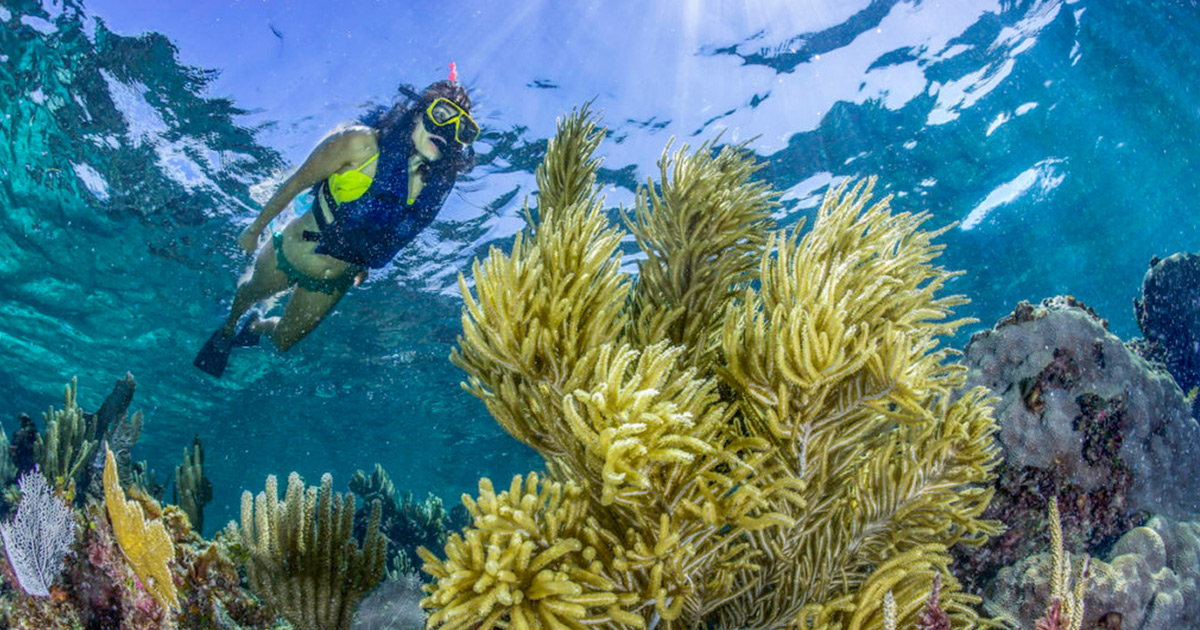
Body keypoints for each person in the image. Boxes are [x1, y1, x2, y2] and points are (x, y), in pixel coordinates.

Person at [194, 68, 479, 378]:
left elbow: (382, 230)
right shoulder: (359, 144)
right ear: (417, 113)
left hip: (334, 281)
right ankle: (228, 329)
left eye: (462, 129)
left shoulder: (429, 188)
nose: (448, 131)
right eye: (442, 115)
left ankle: (256, 326)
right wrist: (255, 229)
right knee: (249, 294)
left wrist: (364, 263)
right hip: (291, 252)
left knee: (283, 341)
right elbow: (297, 182)